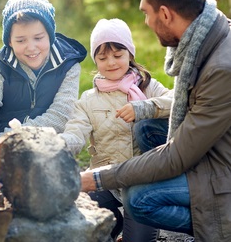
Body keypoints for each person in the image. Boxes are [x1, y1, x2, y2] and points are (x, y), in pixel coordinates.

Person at [80, 0, 231, 241]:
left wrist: (96, 178)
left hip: (223, 169)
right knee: (146, 128)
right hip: (213, 148)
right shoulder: (206, 38)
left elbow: (176, 156)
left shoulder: (222, 68)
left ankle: (221, 223)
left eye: (146, 14)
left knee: (138, 198)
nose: (146, 22)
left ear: (164, 13)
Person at [60, 18, 172, 241]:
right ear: (96, 61)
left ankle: (140, 225)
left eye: (118, 55)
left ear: (130, 55)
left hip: (141, 183)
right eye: (102, 58)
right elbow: (75, 132)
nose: (111, 62)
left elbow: (177, 99)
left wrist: (144, 108)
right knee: (80, 225)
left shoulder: (147, 87)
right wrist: (58, 146)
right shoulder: (89, 100)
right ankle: (113, 222)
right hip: (106, 181)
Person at [0, 0, 87, 178]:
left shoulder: (68, 66)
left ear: (50, 36)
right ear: (9, 41)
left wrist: (11, 139)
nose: (31, 47)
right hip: (1, 153)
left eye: (38, 38)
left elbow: (60, 115)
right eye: (21, 40)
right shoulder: (0, 72)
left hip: (45, 150)